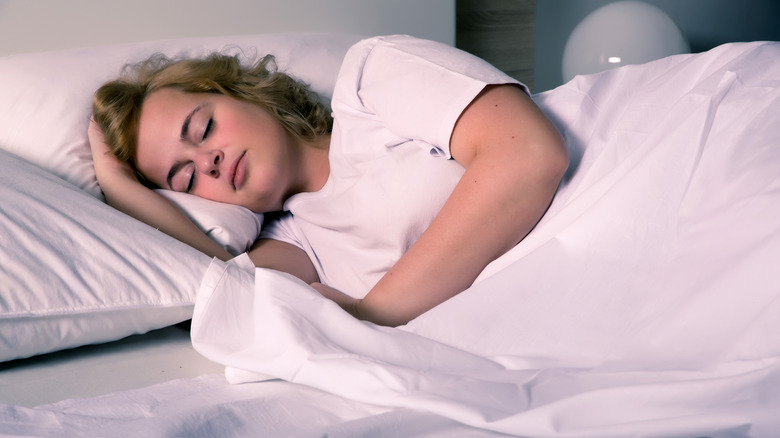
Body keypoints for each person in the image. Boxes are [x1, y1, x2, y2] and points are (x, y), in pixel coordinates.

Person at [89, 35, 569, 327]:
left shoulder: (370, 79)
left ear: (241, 93)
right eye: (187, 177)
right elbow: (223, 287)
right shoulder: (296, 244)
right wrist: (119, 186)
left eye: (203, 128)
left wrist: (371, 314)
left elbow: (527, 155)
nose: (209, 161)